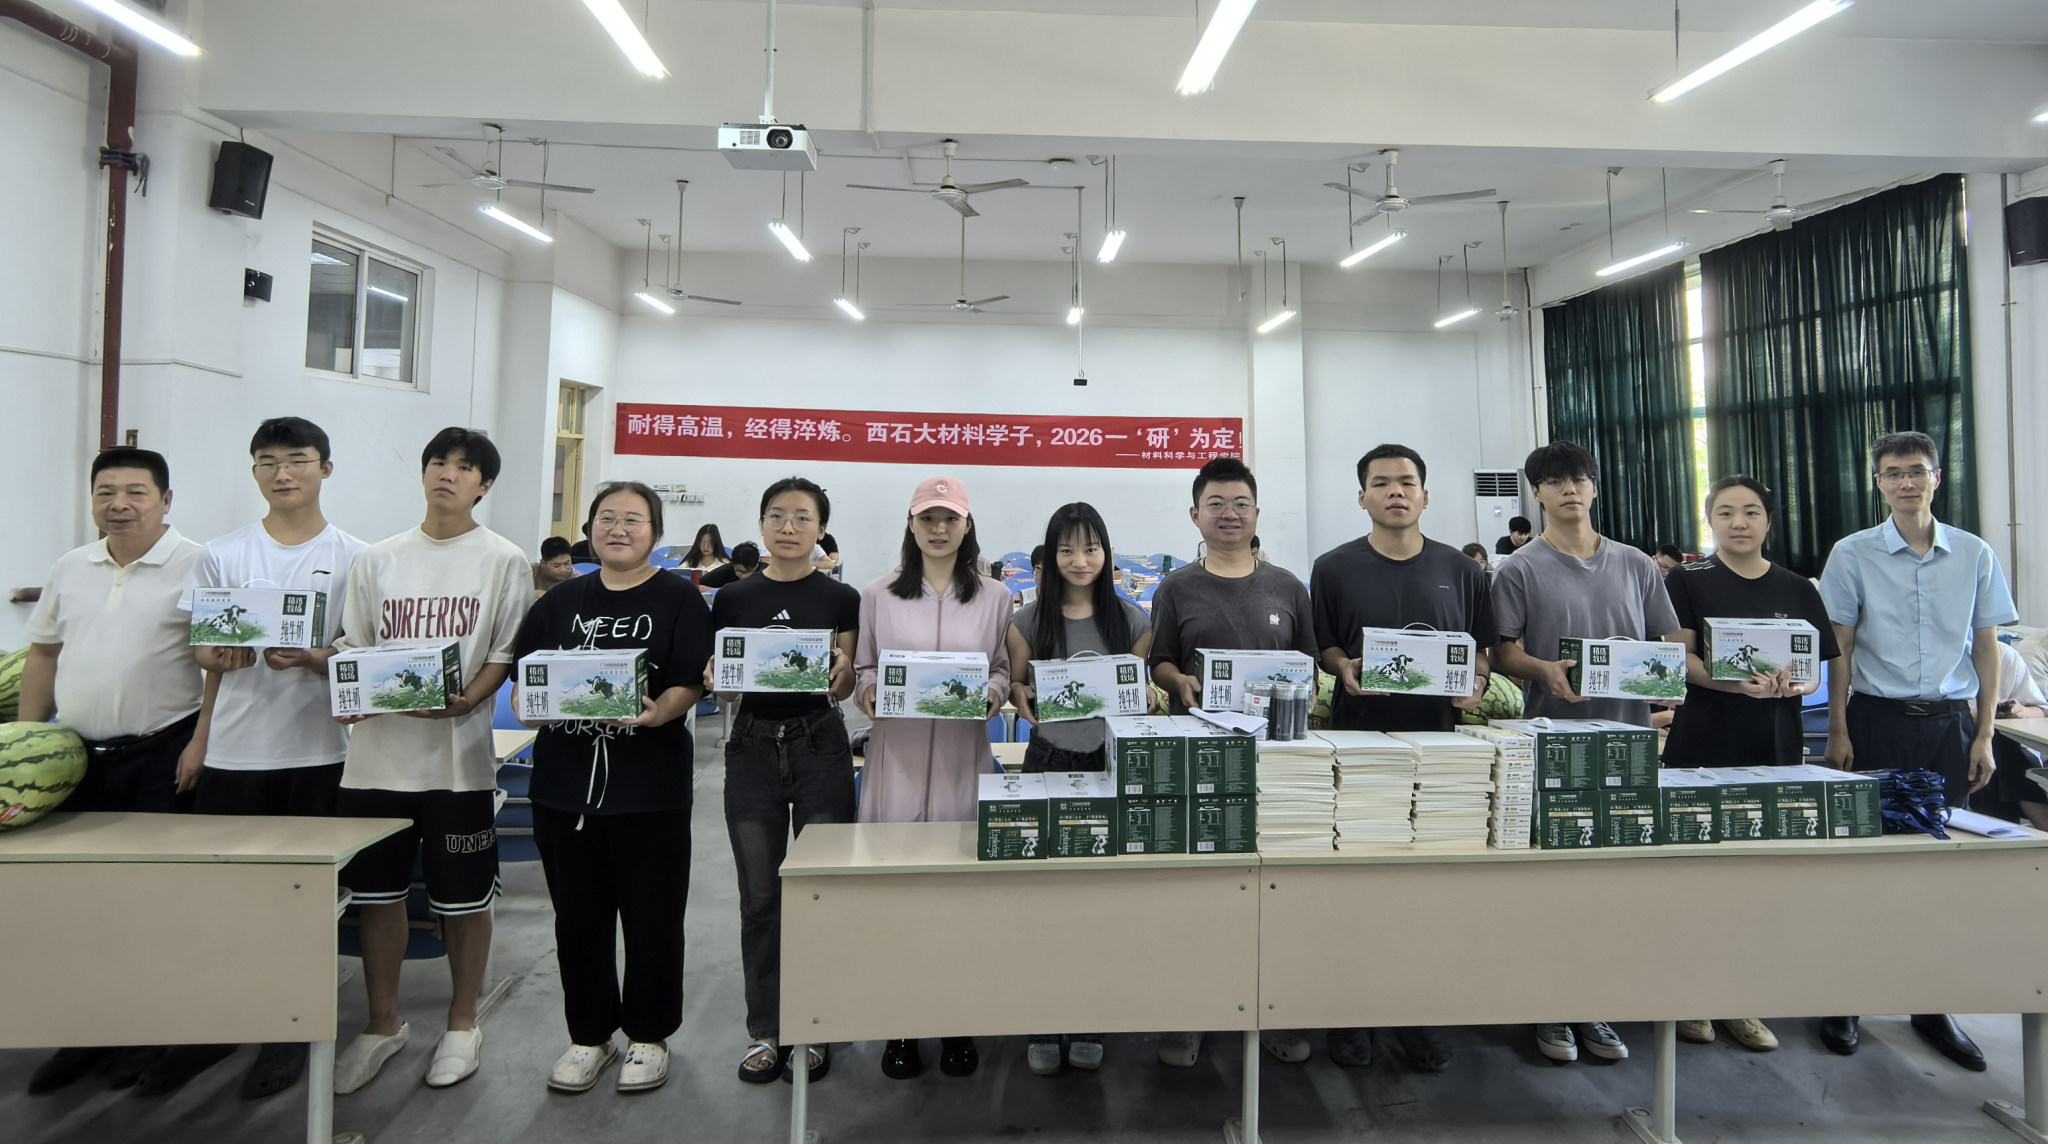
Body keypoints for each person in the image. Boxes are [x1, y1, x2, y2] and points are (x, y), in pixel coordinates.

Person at [329, 428, 533, 1095]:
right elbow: (355, 647)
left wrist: (467, 702)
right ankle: (381, 1024)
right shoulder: (378, 559)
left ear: (484, 485)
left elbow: (502, 652)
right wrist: (351, 697)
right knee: (378, 898)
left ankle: (462, 1022)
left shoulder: (504, 560)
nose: (448, 473)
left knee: (464, 900)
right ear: (423, 474)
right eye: (438, 462)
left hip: (458, 763)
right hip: (375, 764)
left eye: (465, 467)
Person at [177, 418, 369, 1100]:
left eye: (297, 460)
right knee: (224, 900)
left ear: (325, 468)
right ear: (254, 470)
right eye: (268, 462)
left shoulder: (356, 557)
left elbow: (361, 652)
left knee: (304, 900)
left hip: (320, 753)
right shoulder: (223, 553)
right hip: (235, 752)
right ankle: (220, 1024)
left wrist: (317, 659)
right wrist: (205, 716)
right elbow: (205, 653)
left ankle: (289, 1031)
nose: (282, 473)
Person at [1817, 430, 2017, 1069]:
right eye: (1894, 472)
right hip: (1876, 721)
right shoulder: (1852, 553)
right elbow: (1840, 646)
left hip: (1948, 726)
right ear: (1878, 483)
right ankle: (1846, 997)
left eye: (1917, 470)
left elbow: (1986, 647)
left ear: (1937, 477)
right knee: (1864, 862)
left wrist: (1984, 733)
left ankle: (1931, 1004)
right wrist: (1838, 729)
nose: (1906, 481)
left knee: (1941, 867)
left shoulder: (1974, 553)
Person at [21, 447, 207, 1097]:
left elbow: (220, 665)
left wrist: (200, 743)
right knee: (83, 900)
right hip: (78, 757)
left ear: (166, 500)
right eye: (106, 492)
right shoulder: (71, 566)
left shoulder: (200, 565)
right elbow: (43, 654)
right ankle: (87, 1030)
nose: (119, 504)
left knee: (154, 902)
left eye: (135, 492)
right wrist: (25, 742)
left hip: (164, 753)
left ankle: (148, 1031)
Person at [515, 481, 711, 1096]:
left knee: (654, 916)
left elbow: (690, 681)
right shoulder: (558, 601)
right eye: (606, 518)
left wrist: (657, 713)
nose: (618, 529)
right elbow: (526, 681)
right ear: (590, 529)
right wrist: (529, 707)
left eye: (633, 519)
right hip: (564, 786)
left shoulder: (679, 599)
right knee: (578, 919)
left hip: (650, 786)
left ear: (655, 532)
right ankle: (589, 1035)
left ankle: (649, 1036)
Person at [1310, 444, 1496, 1075]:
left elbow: (1483, 650)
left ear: (1425, 495)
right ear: (1361, 496)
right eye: (1382, 483)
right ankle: (1348, 1012)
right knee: (1353, 887)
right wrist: (1343, 667)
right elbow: (1326, 646)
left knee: (1429, 890)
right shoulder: (1334, 568)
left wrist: (1477, 681)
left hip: (1441, 753)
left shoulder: (1462, 570)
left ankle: (1417, 1012)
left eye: (1407, 482)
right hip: (1357, 748)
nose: (1396, 492)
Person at [1490, 440, 1678, 1065]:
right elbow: (1504, 652)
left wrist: (1668, 676)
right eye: (1555, 481)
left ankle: (1593, 1000)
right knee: (1550, 884)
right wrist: (1543, 670)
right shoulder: (1519, 570)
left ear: (1594, 487)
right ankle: (1547, 1004)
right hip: (1552, 748)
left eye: (1579, 479)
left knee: (1612, 885)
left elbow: (1668, 638)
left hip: (1629, 743)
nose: (1569, 489)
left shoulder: (1636, 565)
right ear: (1537, 494)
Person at [1659, 475, 1839, 1054]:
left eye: (1752, 512)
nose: (1739, 522)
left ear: (1768, 520)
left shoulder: (1797, 588)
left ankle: (1743, 999)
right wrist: (1734, 684)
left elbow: (1813, 671)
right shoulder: (1688, 580)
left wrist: (1793, 685)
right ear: (1710, 519)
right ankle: (1688, 996)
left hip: (1774, 744)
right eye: (1726, 512)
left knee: (1759, 877)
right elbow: (1679, 659)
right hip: (1703, 742)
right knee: (1694, 875)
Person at [1149, 456, 1316, 1067]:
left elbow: (1308, 664)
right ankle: (1192, 1014)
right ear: (1195, 514)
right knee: (1198, 894)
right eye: (1215, 504)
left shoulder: (1288, 587)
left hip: (1277, 765)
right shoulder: (1176, 588)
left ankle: (1271, 1012)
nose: (1229, 514)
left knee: (1275, 893)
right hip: (1200, 764)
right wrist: (1179, 682)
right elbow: (1159, 661)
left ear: (1257, 512)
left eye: (1240, 503)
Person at [854, 474, 1011, 1081]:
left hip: (961, 764)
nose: (939, 529)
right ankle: (899, 1024)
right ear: (911, 524)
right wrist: (871, 692)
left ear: (967, 525)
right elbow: (865, 666)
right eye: (928, 518)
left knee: (959, 898)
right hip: (894, 763)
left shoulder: (995, 597)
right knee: (897, 897)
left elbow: (1002, 668)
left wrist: (993, 693)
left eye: (950, 519)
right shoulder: (878, 593)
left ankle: (956, 1022)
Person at [709, 477, 861, 1087]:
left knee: (821, 892)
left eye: (802, 517)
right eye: (777, 516)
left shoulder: (841, 597)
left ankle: (817, 1026)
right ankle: (768, 1029)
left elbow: (842, 685)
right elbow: (725, 689)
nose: (789, 527)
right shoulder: (732, 597)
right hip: (751, 746)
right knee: (760, 898)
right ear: (762, 525)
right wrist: (717, 676)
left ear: (821, 529)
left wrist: (844, 671)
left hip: (819, 743)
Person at [1005, 503, 1153, 1077]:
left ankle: (1090, 1017)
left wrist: (1147, 697)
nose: (1080, 560)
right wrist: (1019, 694)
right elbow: (1018, 685)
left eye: (1091, 548)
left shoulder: (1133, 622)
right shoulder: (1026, 622)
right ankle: (1043, 1019)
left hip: (1108, 764)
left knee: (1100, 899)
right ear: (1050, 557)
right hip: (1047, 759)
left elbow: (1139, 694)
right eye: (1066, 550)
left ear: (1106, 553)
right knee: (1042, 898)